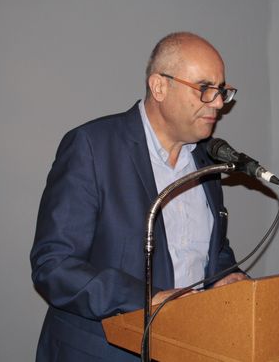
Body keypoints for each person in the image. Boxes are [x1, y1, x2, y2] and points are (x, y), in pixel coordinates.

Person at [30, 32, 247, 361]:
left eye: (221, 91)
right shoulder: (92, 147)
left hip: (187, 347)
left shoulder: (206, 160)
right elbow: (54, 265)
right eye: (205, 88)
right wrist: (148, 299)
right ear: (159, 87)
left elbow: (211, 250)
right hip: (104, 351)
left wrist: (226, 277)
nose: (218, 103)